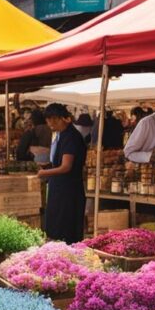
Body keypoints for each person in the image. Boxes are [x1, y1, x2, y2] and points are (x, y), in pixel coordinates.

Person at [39, 103, 88, 244]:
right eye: (48, 119)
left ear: (63, 118)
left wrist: (45, 172)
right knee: (56, 230)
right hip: (60, 189)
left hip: (68, 191)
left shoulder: (71, 137)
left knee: (65, 231)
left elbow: (66, 166)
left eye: (54, 119)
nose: (51, 123)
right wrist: (47, 166)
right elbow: (60, 162)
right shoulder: (62, 135)